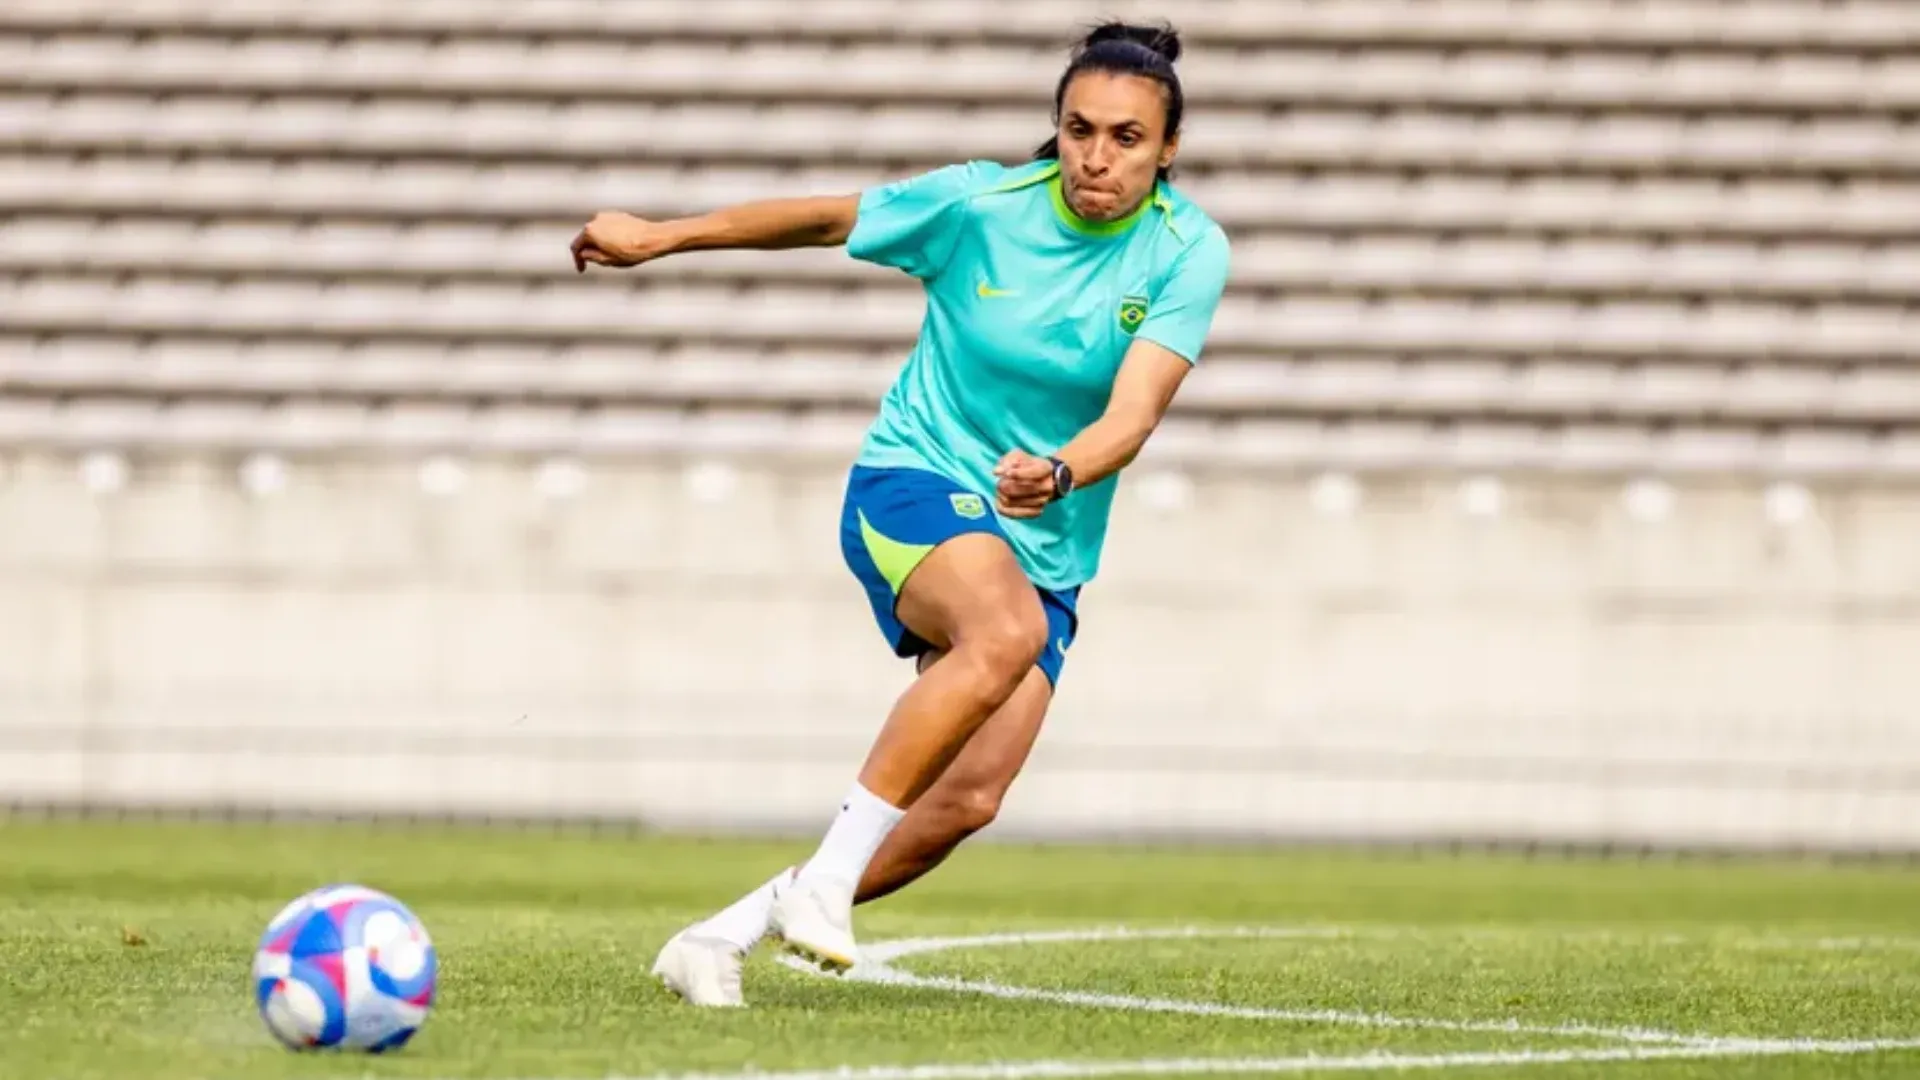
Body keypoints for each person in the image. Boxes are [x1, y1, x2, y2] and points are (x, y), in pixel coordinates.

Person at [569, 19, 1230, 1007]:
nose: (1098, 157)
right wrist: (664, 235)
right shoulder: (980, 205)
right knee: (1001, 630)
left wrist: (1055, 473)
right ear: (1056, 127)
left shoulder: (1188, 250)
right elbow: (827, 219)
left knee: (969, 798)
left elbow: (1132, 416)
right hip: (915, 482)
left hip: (1044, 527)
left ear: (1167, 148)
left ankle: (725, 932)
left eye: (1126, 138)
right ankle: (827, 886)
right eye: (1080, 129)